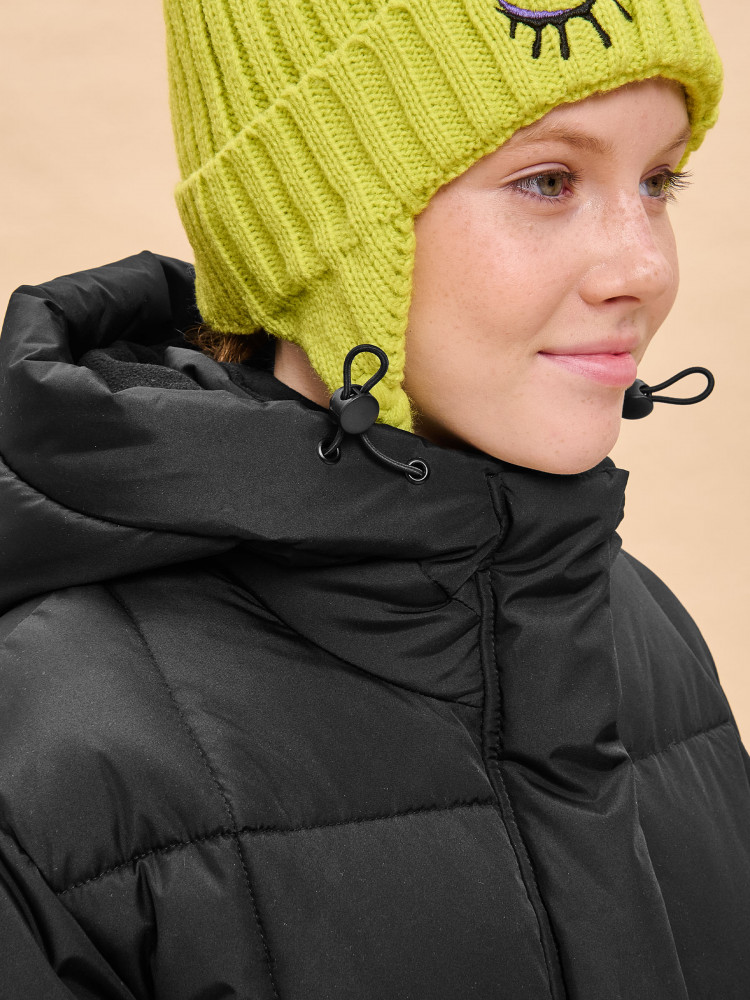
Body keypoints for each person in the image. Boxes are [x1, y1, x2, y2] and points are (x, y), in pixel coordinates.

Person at [0, 0, 748, 997]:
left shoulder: (638, 626)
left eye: (659, 181)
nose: (645, 269)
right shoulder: (54, 749)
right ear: (307, 225)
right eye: (547, 181)